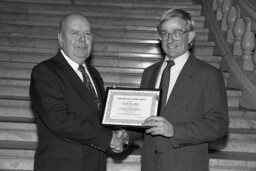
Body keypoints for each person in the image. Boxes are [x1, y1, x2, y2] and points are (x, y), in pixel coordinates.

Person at [29, 13, 128, 171]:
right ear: (61, 39)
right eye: (75, 33)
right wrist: (108, 138)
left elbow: (98, 119)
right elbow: (59, 119)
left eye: (87, 34)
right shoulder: (45, 72)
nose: (82, 39)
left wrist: (118, 134)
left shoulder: (93, 74)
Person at [140, 8, 229, 171]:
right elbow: (143, 119)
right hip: (150, 165)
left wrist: (175, 130)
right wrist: (124, 136)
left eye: (177, 33)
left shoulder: (208, 74)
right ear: (159, 37)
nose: (170, 39)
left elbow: (219, 125)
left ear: (191, 36)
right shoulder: (149, 73)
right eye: (165, 33)